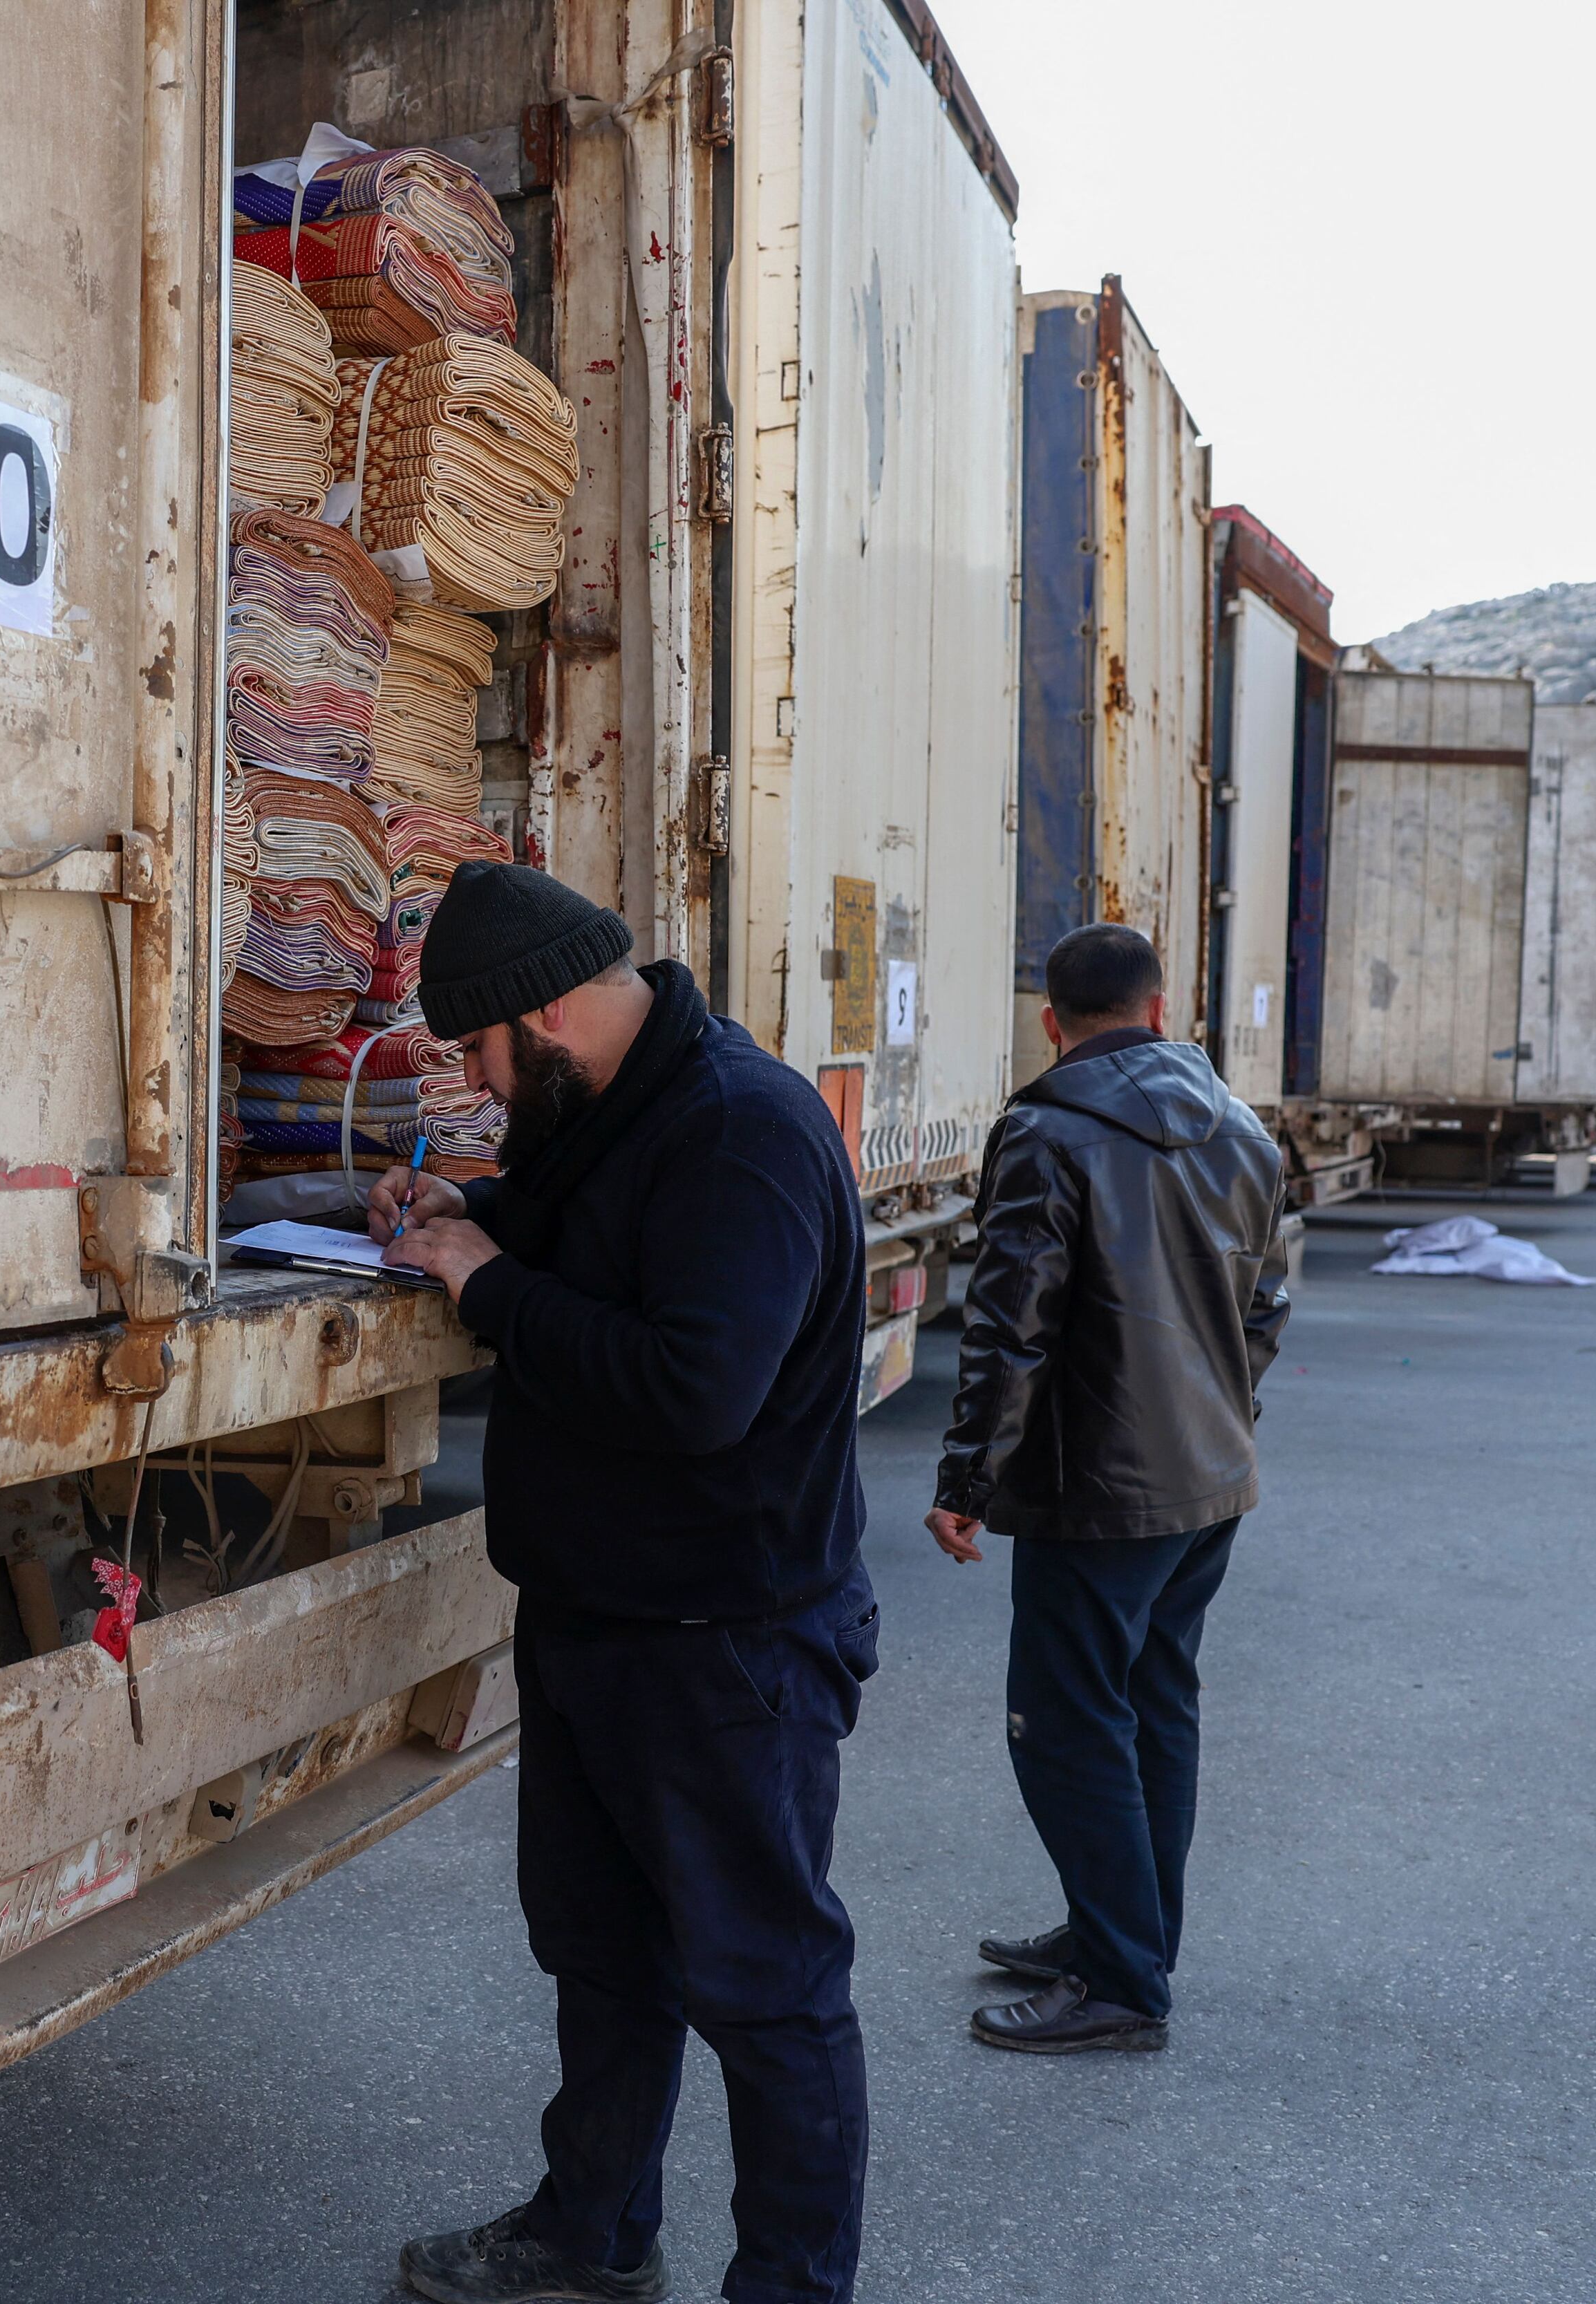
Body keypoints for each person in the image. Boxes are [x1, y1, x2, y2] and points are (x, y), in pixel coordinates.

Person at [370, 860, 876, 2304]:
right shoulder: (619, 1105)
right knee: (601, 1957)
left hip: (728, 1642)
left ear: (542, 1014)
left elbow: (691, 1385)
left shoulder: (736, 1129)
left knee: (765, 1988)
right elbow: (579, 1239)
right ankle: (591, 2229)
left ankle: (791, 2284)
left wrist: (484, 1280)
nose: (473, 1082)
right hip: (602, 1620)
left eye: (475, 1052)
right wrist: (462, 1210)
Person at [926, 921, 1290, 2054]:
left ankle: (1123, 1981)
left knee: (1068, 1723)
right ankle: (1120, 1935)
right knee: (1156, 1707)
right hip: (1208, 1479)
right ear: (1161, 1008)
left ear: (1052, 1020)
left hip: (1103, 1490)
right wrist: (1220, 1414)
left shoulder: (1045, 1130)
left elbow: (1009, 1326)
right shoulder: (1244, 1128)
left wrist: (967, 1479)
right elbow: (1267, 1308)